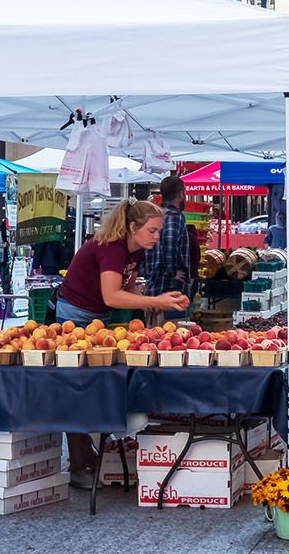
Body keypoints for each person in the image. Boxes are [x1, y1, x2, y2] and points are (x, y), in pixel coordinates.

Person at [60, 199, 189, 489]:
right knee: (77, 388)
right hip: (75, 316)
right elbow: (112, 296)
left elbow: (127, 286)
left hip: (94, 318)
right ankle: (78, 463)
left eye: (158, 231)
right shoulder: (112, 248)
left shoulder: (135, 251)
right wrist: (155, 300)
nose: (157, 236)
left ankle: (89, 455)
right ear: (133, 228)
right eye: (153, 230)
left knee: (88, 386)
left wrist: (153, 303)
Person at [141, 175, 192, 318]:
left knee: (152, 335)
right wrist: (172, 272)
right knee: (172, 334)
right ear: (181, 193)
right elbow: (169, 245)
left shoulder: (154, 215)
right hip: (170, 290)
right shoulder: (175, 216)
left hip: (152, 287)